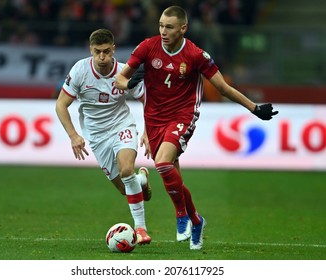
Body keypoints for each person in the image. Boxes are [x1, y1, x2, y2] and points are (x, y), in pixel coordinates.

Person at [115, 6, 278, 250]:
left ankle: (181, 215)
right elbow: (119, 78)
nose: (163, 31)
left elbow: (222, 88)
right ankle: (196, 221)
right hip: (154, 118)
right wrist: (129, 83)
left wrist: (254, 108)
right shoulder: (147, 47)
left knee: (161, 163)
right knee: (172, 175)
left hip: (182, 115)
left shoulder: (196, 55)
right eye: (160, 25)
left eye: (169, 27)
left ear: (183, 28)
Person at [55, 29, 152, 245]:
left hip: (122, 125)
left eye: (107, 52)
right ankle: (142, 180)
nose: (102, 57)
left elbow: (147, 100)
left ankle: (141, 229)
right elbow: (61, 104)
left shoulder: (125, 72)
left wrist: (147, 131)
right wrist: (73, 135)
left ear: (113, 49)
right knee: (124, 188)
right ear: (90, 50)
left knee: (126, 170)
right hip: (97, 136)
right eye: (97, 52)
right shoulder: (80, 70)